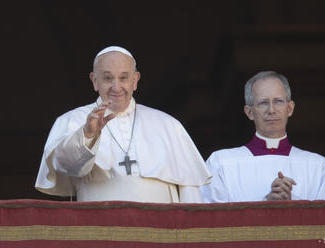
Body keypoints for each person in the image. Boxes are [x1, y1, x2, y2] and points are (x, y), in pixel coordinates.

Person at [35, 46, 211, 203]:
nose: (116, 87)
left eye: (123, 78)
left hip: (160, 235)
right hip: (100, 233)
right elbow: (67, 166)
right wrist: (88, 135)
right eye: (107, 78)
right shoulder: (71, 121)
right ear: (94, 81)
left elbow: (190, 187)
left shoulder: (168, 125)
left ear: (135, 80)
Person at [202, 71, 325, 202]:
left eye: (278, 101)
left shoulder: (319, 167)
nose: (271, 110)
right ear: (249, 112)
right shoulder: (221, 163)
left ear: (290, 108)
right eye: (263, 103)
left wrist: (291, 203)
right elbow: (211, 219)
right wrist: (267, 204)